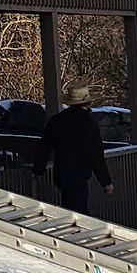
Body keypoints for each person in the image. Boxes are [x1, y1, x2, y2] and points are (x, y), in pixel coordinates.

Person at [32, 87, 113, 217]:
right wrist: (105, 182)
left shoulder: (56, 120)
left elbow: (44, 147)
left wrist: (38, 170)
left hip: (61, 174)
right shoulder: (88, 124)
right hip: (79, 175)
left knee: (69, 206)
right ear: (88, 104)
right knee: (79, 211)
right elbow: (96, 156)